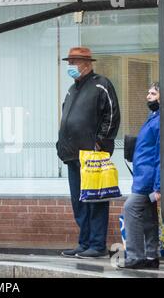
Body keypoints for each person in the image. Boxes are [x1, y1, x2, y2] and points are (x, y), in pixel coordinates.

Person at [57, 47, 121, 259]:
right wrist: (61, 144)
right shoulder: (72, 89)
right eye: (69, 62)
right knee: (79, 202)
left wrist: (100, 143)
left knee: (95, 200)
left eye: (74, 62)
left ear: (87, 63)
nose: (70, 66)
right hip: (72, 155)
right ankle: (84, 243)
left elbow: (111, 115)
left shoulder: (101, 84)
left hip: (92, 155)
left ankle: (96, 244)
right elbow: (67, 119)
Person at [119, 82, 161, 269]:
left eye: (153, 93)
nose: (148, 96)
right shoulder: (154, 117)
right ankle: (152, 257)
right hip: (144, 176)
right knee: (148, 216)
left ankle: (135, 256)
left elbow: (161, 154)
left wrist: (158, 186)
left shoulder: (160, 121)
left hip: (148, 179)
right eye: (148, 92)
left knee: (130, 209)